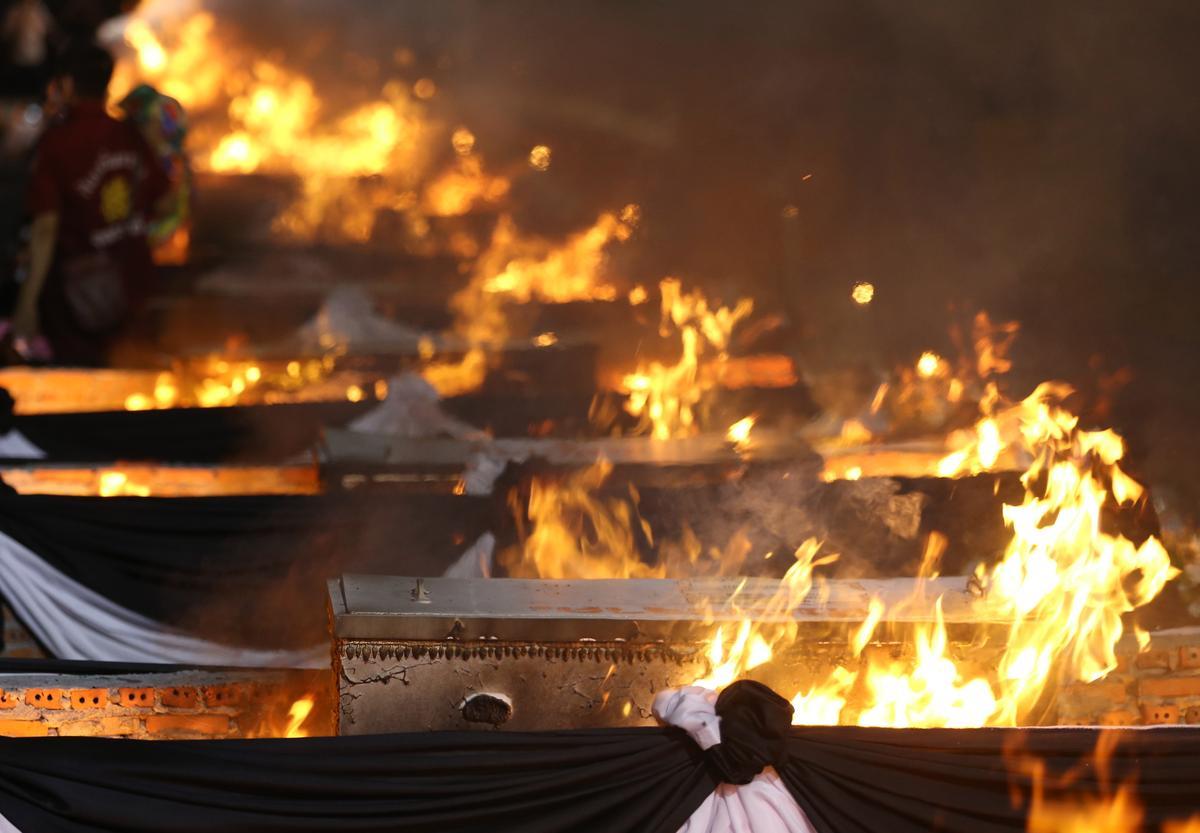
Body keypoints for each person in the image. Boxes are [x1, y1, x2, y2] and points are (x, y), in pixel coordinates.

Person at [10, 42, 168, 365]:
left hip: (78, 306)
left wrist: (26, 304)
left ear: (66, 84)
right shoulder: (129, 135)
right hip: (134, 287)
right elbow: (161, 200)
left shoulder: (58, 143)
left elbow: (46, 227)